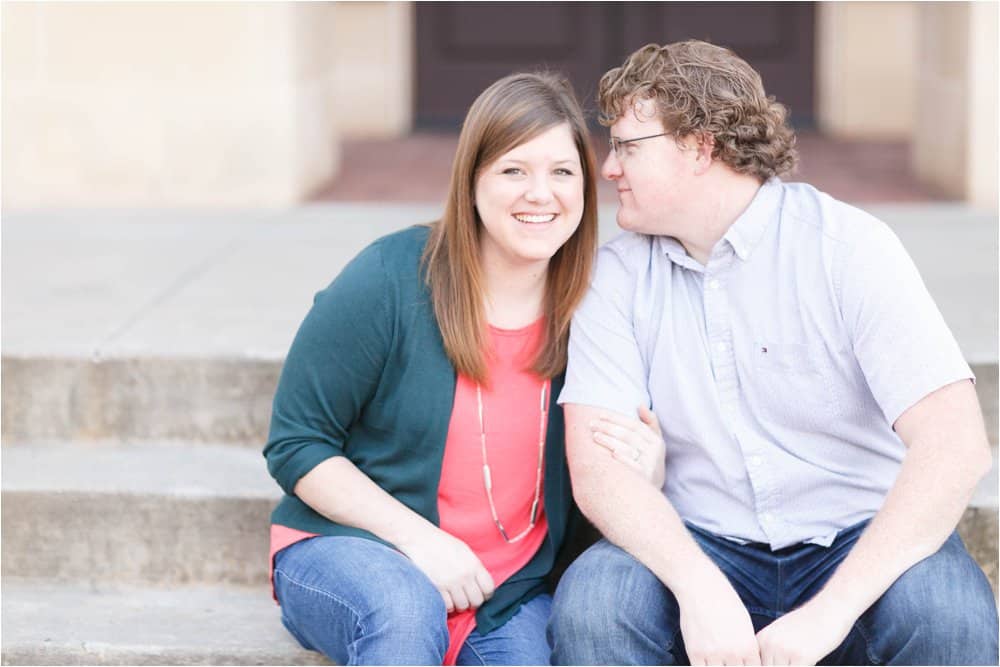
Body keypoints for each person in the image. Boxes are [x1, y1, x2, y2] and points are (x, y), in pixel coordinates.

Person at [549, 40, 998, 666]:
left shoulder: (847, 248)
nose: (608, 168)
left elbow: (954, 445)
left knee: (948, 619)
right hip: (701, 542)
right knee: (597, 606)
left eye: (627, 146)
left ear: (700, 147)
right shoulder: (614, 277)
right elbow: (598, 471)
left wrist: (829, 615)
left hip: (857, 539)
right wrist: (699, 586)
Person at [263, 72, 662, 666]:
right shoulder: (391, 278)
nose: (540, 194)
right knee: (402, 609)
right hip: (360, 552)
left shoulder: (598, 312)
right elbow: (297, 443)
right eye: (513, 171)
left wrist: (646, 475)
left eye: (561, 172)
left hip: (508, 590)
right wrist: (420, 541)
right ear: (471, 180)